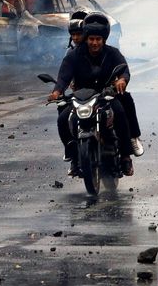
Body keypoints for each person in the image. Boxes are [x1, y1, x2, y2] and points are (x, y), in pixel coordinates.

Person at [48, 13, 136, 177]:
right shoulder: (74, 55)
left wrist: (122, 80)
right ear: (86, 38)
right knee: (62, 119)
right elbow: (63, 76)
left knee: (121, 113)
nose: (94, 43)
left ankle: (125, 156)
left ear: (104, 39)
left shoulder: (113, 53)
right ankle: (74, 157)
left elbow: (124, 69)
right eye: (91, 39)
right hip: (80, 98)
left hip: (105, 96)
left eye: (98, 39)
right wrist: (56, 92)